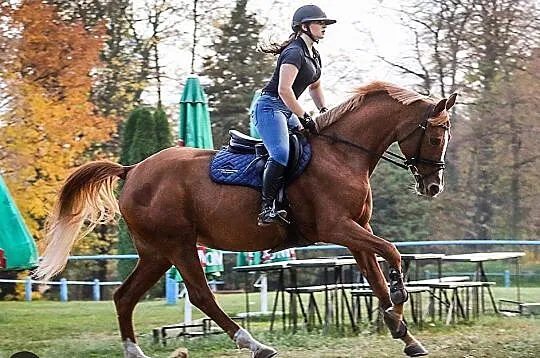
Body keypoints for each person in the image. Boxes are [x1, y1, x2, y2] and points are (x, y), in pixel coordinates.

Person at [253, 4, 336, 226]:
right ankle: (266, 208)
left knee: (311, 144)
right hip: (270, 107)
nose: (325, 27)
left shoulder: (314, 55)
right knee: (280, 153)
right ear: (304, 26)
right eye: (321, 23)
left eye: (325, 23)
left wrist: (323, 110)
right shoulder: (294, 52)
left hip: (287, 109)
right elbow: (283, 90)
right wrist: (304, 115)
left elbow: (315, 87)